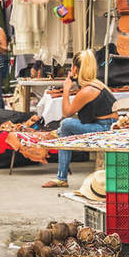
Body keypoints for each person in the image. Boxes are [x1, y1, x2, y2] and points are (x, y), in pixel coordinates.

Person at [42, 49, 117, 188]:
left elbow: (66, 112)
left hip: (105, 127)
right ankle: (61, 177)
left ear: (75, 69)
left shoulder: (87, 90)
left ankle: (61, 177)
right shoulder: (96, 84)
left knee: (65, 124)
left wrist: (66, 89)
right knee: (64, 130)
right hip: (107, 124)